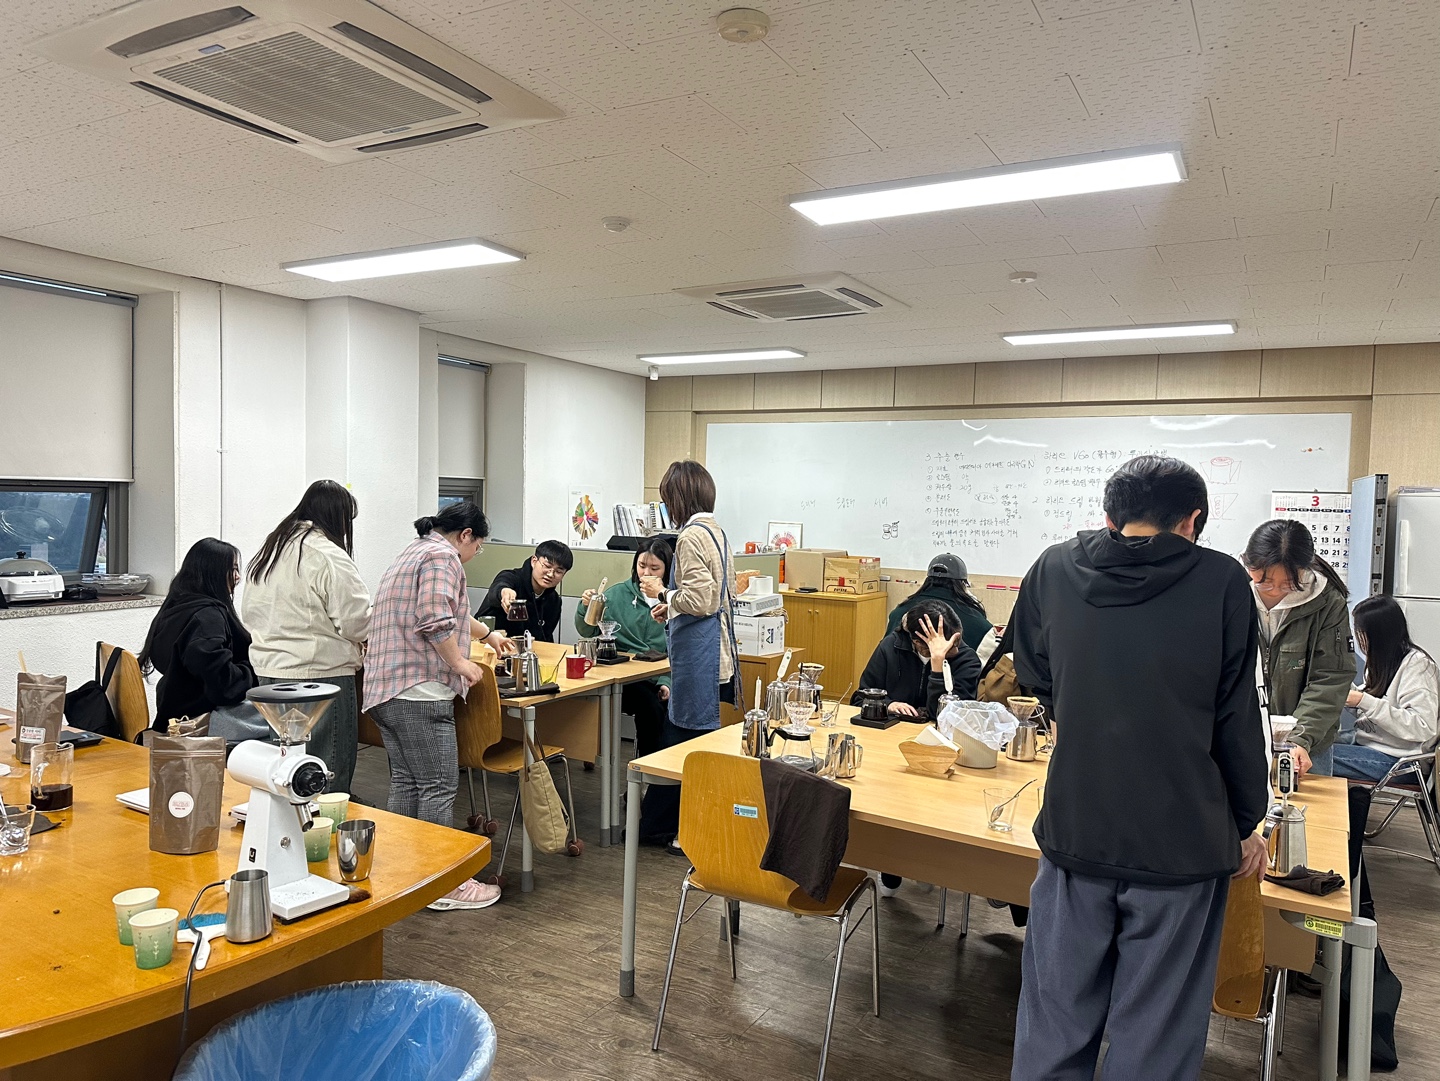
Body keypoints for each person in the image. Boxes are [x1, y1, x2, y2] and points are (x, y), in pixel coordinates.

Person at [1010, 455, 1270, 1081]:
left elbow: (1035, 673)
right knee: (1156, 1033)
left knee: (1054, 1019)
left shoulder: (1052, 568)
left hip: (1075, 827)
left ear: (1110, 517)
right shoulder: (1222, 581)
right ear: (1192, 520)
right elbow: (1235, 715)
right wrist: (1244, 822)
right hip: (1179, 842)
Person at [364, 501, 514, 912]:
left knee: (408, 783)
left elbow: (450, 612)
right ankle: (444, 884)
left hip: (386, 689)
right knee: (438, 787)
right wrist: (460, 663)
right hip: (420, 690)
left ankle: (407, 875)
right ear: (466, 535)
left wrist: (487, 635)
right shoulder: (442, 557)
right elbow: (435, 618)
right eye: (478, 546)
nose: (475, 553)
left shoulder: (413, 552)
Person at [637, 460, 752, 851]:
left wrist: (662, 593)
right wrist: (671, 607)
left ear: (678, 498)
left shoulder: (689, 537)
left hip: (698, 655)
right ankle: (674, 825)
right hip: (715, 649)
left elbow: (701, 600)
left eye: (667, 498)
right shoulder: (716, 532)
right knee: (694, 743)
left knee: (683, 745)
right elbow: (716, 596)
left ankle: (662, 828)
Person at [241, 480, 370, 793]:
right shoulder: (328, 555)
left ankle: (288, 825)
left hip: (270, 676)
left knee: (285, 773)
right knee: (325, 773)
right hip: (320, 677)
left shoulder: (270, 551)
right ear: (338, 517)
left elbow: (250, 613)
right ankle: (323, 825)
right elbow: (356, 622)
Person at [1244, 519, 1354, 778]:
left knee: (1307, 803)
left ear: (1304, 570)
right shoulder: (1232, 591)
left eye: (1287, 584)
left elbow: (1330, 678)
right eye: (1264, 581)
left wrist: (1301, 738)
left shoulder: (1327, 603)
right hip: (1244, 735)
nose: (1274, 591)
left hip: (1306, 743)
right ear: (1248, 564)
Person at [140, 538, 256, 731]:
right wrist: (251, 669)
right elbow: (224, 687)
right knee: (283, 716)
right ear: (214, 573)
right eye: (233, 570)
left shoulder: (176, 607)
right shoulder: (207, 618)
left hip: (174, 711)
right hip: (202, 720)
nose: (238, 577)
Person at [575, 538, 673, 758]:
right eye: (642, 565)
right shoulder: (617, 594)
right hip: (625, 677)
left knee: (671, 707)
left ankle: (663, 769)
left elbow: (677, 651)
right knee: (650, 706)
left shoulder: (673, 600)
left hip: (660, 675)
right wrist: (585, 607)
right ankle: (646, 769)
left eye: (655, 568)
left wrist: (666, 681)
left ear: (667, 569)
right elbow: (587, 630)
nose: (646, 573)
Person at [1334, 595, 1439, 782]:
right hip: (1372, 742)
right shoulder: (1381, 661)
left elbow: (1422, 727)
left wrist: (1363, 701)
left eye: (1360, 632)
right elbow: (1372, 709)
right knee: (1308, 744)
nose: (1358, 639)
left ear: (1378, 634)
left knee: (1313, 756)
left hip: (1403, 762)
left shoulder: (1417, 665)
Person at [852, 600, 981, 719]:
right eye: (948, 646)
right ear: (916, 642)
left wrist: (938, 666)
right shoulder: (891, 647)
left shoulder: (967, 660)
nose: (955, 650)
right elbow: (860, 699)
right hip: (894, 729)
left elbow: (949, 717)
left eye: (956, 641)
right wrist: (888, 705)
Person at [884, 553, 993, 650]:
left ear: (927, 580)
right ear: (962, 584)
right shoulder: (977, 621)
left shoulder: (899, 612)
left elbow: (886, 651)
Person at [476, 539, 572, 642]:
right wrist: (504, 592)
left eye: (558, 571)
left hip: (526, 649)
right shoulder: (512, 578)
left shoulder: (554, 601)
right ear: (534, 561)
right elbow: (499, 587)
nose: (550, 574)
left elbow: (545, 636)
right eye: (547, 566)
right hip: (486, 643)